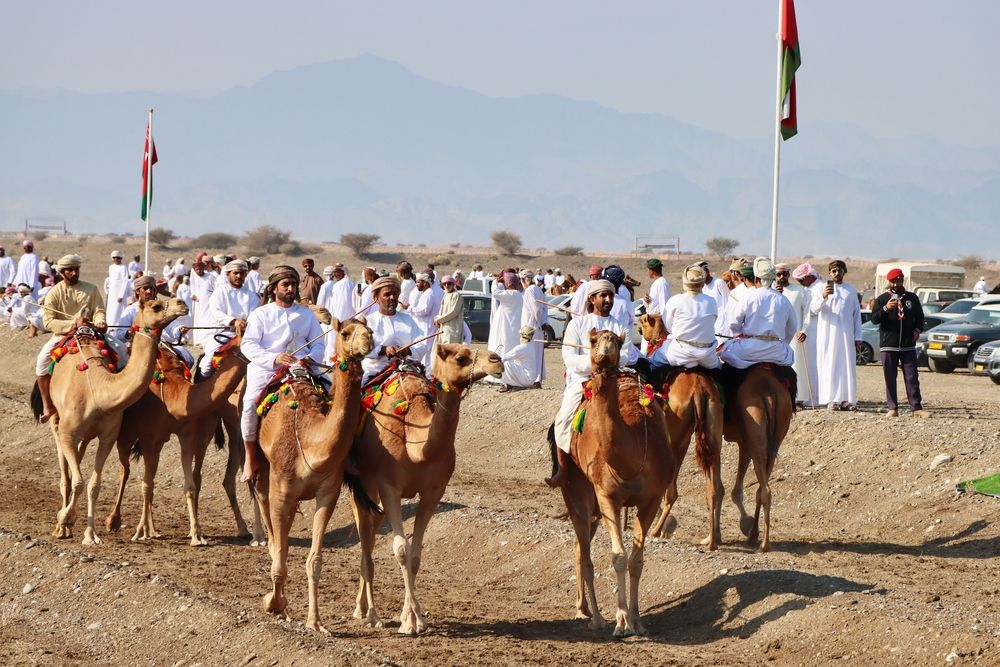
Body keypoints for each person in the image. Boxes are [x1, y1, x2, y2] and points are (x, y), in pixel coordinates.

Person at [547, 279, 638, 487]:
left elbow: (627, 355)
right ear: (592, 299)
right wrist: (595, 362)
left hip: (616, 377)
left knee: (646, 406)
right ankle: (563, 469)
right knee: (563, 418)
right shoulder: (577, 324)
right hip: (584, 378)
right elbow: (569, 357)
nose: (608, 299)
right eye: (603, 296)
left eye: (610, 295)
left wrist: (611, 362)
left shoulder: (620, 326)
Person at [240, 266, 326, 482]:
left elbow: (318, 343)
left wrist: (310, 358)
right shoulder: (261, 314)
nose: (290, 288)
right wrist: (274, 358)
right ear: (274, 288)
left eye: (293, 284)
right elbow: (248, 344)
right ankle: (250, 457)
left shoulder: (306, 314)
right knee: (249, 404)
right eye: (285, 284)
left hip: (302, 367)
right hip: (267, 369)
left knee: (334, 395)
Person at [35, 254, 107, 423]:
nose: (74, 273)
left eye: (76, 269)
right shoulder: (54, 293)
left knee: (122, 352)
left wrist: (100, 321)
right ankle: (47, 405)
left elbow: (98, 310)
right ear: (62, 272)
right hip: (63, 335)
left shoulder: (92, 289)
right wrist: (73, 323)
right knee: (41, 362)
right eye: (70, 270)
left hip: (90, 332)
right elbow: (48, 322)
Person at [871, 268, 929, 417]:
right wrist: (885, 308)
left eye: (898, 280)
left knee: (912, 377)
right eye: (893, 281)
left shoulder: (912, 298)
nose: (896, 284)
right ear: (889, 282)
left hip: (907, 345)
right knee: (890, 377)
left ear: (903, 280)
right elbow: (874, 319)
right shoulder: (882, 299)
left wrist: (917, 330)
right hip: (888, 345)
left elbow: (920, 317)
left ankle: (916, 408)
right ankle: (893, 408)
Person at [720, 258, 796, 369]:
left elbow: (733, 323)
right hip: (777, 351)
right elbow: (792, 328)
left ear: (756, 278)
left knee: (725, 355)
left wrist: (739, 335)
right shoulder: (783, 300)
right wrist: (781, 343)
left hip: (749, 349)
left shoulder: (748, 297)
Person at [810, 259, 862, 411]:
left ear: (844, 272)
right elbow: (813, 309)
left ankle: (847, 399)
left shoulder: (850, 290)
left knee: (846, 366)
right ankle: (831, 400)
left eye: (840, 270)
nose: (837, 273)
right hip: (827, 335)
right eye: (834, 271)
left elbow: (856, 315)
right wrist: (824, 296)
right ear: (829, 273)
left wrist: (858, 336)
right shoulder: (821, 288)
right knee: (829, 365)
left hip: (846, 336)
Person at [360, 276, 431, 383]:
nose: (392, 297)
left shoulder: (408, 319)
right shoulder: (369, 322)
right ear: (376, 298)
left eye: (395, 294)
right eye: (387, 294)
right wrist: (383, 350)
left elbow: (422, 344)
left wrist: (408, 350)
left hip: (406, 370)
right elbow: (362, 348)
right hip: (376, 373)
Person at [649, 264, 719, 370]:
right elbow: (712, 322)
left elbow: (668, 327)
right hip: (707, 355)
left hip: (679, 352)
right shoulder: (711, 301)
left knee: (652, 362)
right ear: (702, 281)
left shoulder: (675, 300)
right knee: (721, 373)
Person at [199, 259, 260, 379]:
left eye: (242, 273)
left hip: (246, 334)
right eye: (235, 273)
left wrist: (246, 324)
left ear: (246, 274)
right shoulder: (220, 292)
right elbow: (216, 311)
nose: (239, 276)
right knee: (209, 359)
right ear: (228, 274)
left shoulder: (251, 295)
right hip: (224, 332)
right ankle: (202, 382)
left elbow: (255, 314)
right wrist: (234, 321)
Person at [776, 263, 811, 407]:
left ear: (788, 274)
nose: (781, 277)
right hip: (776, 336)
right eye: (778, 274)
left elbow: (807, 312)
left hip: (795, 335)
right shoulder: (770, 292)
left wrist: (804, 330)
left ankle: (798, 398)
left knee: (797, 366)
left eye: (784, 274)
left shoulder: (799, 290)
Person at [791, 263, 822, 407]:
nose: (800, 283)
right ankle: (809, 397)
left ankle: (815, 398)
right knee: (807, 366)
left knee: (815, 366)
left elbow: (813, 310)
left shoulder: (820, 287)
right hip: (808, 330)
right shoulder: (807, 289)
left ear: (809, 276)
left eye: (801, 280)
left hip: (816, 330)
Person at [487, 271, 523, 364]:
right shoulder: (519, 295)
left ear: (508, 283)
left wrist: (495, 281)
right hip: (513, 326)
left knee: (503, 347)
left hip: (505, 326)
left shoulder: (510, 294)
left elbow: (495, 292)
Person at [519, 269, 547, 388]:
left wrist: (539, 323)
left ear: (523, 279)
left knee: (530, 353)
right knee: (537, 353)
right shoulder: (538, 289)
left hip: (531, 327)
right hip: (537, 326)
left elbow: (536, 309)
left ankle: (533, 380)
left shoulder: (530, 290)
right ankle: (535, 380)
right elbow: (544, 308)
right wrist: (543, 322)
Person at [407, 272, 437, 370]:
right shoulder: (425, 293)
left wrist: (410, 308)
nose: (416, 284)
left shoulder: (429, 294)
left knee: (426, 352)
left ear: (424, 282)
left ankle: (426, 373)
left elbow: (424, 310)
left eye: (418, 282)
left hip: (427, 327)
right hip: (423, 327)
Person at [499, 326, 540, 391]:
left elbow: (504, 358)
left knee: (504, 364)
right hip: (530, 378)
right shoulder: (531, 345)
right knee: (510, 363)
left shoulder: (521, 348)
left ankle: (509, 383)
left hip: (527, 378)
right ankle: (512, 383)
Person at [698, 260, 731, 340]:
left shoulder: (719, 283)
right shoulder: (703, 288)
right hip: (711, 326)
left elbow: (728, 304)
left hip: (722, 327)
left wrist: (724, 327)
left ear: (707, 271)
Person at [189, 260, 217, 347]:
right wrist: (192, 294)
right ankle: (199, 340)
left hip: (208, 305)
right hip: (198, 304)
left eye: (200, 269)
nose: (198, 271)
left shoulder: (210, 277)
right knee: (198, 321)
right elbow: (192, 287)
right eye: (196, 270)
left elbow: (217, 289)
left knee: (207, 320)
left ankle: (207, 340)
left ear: (203, 268)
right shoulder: (194, 277)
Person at [434, 274, 464, 344]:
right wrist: (437, 318)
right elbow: (441, 311)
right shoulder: (445, 295)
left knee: (450, 348)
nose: (447, 285)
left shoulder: (456, 295)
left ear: (453, 284)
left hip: (452, 329)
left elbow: (453, 312)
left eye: (449, 283)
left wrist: (439, 320)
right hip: (443, 328)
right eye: (444, 284)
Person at [105, 251, 130, 326]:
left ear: (121, 258)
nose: (116, 259)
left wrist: (121, 295)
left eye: (118, 257)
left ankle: (120, 326)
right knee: (111, 310)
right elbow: (110, 280)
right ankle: (110, 326)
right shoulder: (111, 267)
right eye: (114, 257)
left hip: (119, 293)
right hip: (112, 293)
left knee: (120, 310)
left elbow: (125, 281)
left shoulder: (123, 267)